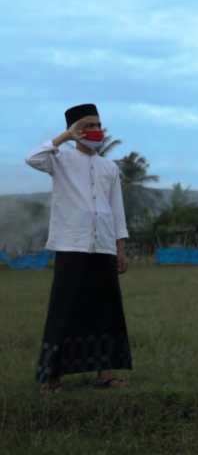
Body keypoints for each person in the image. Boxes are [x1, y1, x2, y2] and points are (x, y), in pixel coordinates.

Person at [26, 103, 132, 393]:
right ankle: (52, 377)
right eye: (87, 126)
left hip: (104, 247)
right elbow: (32, 158)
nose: (95, 130)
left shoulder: (110, 167)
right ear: (74, 130)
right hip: (71, 244)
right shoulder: (60, 160)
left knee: (105, 310)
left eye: (98, 125)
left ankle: (105, 374)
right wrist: (64, 137)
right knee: (65, 310)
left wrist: (119, 248)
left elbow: (117, 210)